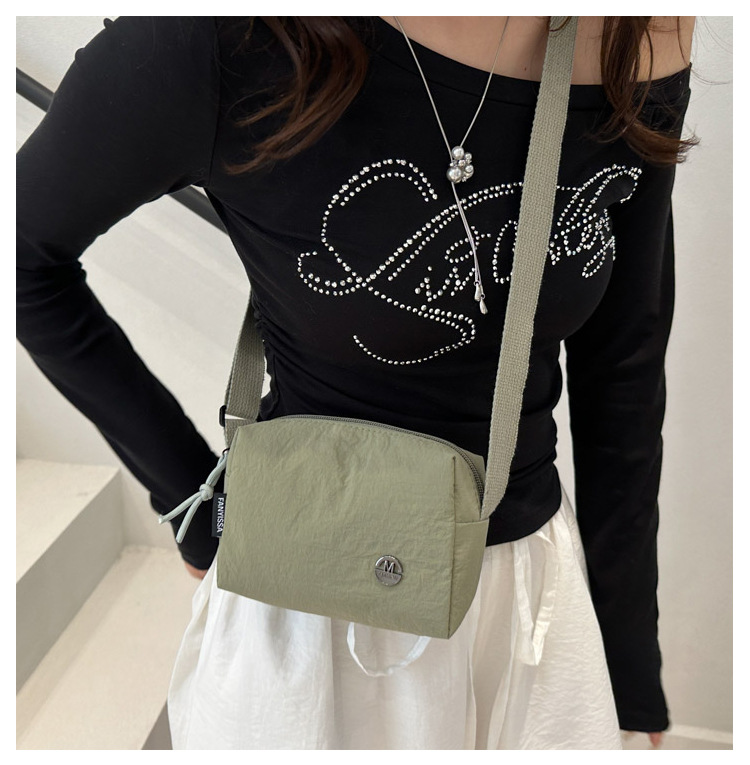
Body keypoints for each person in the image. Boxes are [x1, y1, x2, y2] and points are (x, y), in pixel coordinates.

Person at [16, 15, 697, 750]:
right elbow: (23, 258)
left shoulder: (634, 28)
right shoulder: (218, 38)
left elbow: (623, 365)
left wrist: (630, 663)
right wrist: (192, 501)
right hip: (299, 617)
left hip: (522, 606)